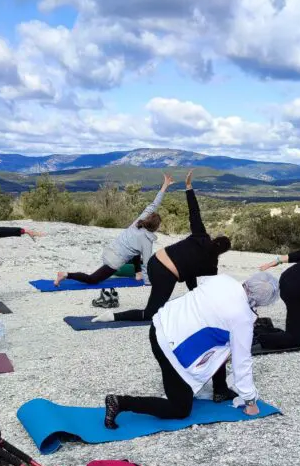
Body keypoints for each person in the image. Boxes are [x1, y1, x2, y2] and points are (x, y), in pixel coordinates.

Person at [103, 272, 280, 426]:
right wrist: (250, 401)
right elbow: (242, 361)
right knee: (180, 409)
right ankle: (120, 402)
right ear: (260, 302)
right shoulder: (242, 318)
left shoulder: (223, 280)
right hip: (169, 347)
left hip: (161, 322)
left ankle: (220, 390)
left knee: (223, 343)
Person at [96, 169, 230, 323]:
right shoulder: (212, 266)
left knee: (167, 302)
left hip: (155, 261)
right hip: (164, 275)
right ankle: (112, 316)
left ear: (215, 239)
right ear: (222, 252)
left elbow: (194, 211)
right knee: (149, 314)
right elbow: (202, 283)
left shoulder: (201, 235)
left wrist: (188, 186)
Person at [55, 173, 173, 286]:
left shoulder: (139, 222)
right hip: (114, 261)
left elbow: (153, 205)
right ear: (155, 227)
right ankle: (65, 274)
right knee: (93, 279)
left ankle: (138, 274)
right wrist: (148, 282)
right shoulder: (147, 241)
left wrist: (164, 186)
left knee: (136, 251)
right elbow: (147, 264)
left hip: (109, 250)